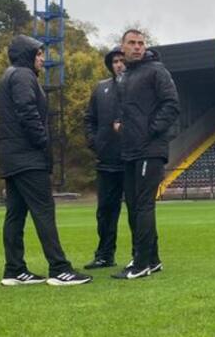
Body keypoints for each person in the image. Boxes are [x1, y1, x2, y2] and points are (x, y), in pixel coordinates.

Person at [0, 34, 92, 286]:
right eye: (38, 54)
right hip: (28, 157)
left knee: (15, 214)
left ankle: (14, 270)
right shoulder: (23, 76)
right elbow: (27, 111)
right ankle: (60, 269)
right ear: (27, 55)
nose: (42, 59)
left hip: (11, 158)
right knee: (43, 211)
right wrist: (42, 141)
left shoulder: (8, 75)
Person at [111, 29, 180, 280]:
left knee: (143, 205)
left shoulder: (156, 71)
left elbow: (171, 104)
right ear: (123, 47)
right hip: (129, 150)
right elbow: (127, 110)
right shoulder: (125, 76)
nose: (137, 47)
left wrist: (150, 131)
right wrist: (121, 123)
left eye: (141, 43)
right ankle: (152, 258)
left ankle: (140, 263)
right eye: (132, 43)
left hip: (149, 149)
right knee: (133, 206)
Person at [83, 46, 129, 269]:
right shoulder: (101, 89)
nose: (119, 64)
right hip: (106, 161)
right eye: (115, 61)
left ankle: (141, 255)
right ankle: (104, 255)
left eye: (122, 60)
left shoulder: (140, 87)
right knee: (105, 212)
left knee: (138, 212)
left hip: (132, 160)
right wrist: (95, 142)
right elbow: (89, 119)